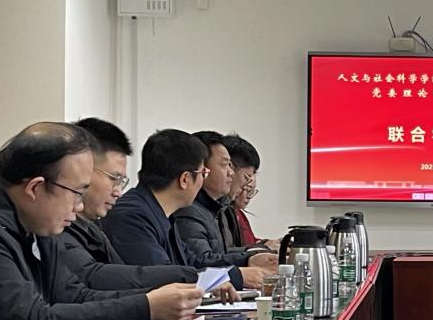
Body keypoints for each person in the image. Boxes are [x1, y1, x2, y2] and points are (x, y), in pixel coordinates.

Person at [0, 123, 203, 320]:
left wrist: (157, 298)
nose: (79, 207)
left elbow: (75, 296)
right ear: (35, 188)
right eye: (77, 193)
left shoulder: (33, 222)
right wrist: (146, 308)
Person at [59, 118, 222, 293]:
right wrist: (194, 279)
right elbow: (93, 278)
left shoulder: (93, 227)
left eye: (121, 181)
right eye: (114, 178)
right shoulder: (129, 215)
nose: (118, 192)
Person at [103, 129, 276, 290]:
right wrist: (234, 276)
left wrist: (248, 260)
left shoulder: (160, 212)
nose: (202, 182)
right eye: (203, 174)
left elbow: (192, 262)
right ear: (185, 179)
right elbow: (162, 277)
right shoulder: (132, 215)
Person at [173, 132, 272, 290]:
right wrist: (247, 262)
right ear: (202, 169)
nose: (230, 173)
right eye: (225, 165)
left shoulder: (217, 208)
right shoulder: (188, 211)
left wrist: (252, 256)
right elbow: (199, 262)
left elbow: (214, 256)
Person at [221, 134, 275, 249]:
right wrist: (263, 248)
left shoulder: (236, 213)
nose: (248, 197)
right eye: (246, 189)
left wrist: (264, 244)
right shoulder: (219, 212)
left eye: (251, 192)